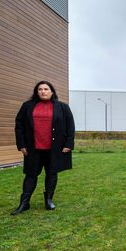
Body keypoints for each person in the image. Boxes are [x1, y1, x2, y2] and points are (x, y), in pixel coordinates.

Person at [11, 81, 75, 215]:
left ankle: (49, 200)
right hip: (33, 148)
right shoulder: (27, 106)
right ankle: (24, 202)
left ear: (52, 91)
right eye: (40, 89)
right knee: (30, 175)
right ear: (36, 92)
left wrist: (68, 144)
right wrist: (21, 144)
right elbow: (19, 126)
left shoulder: (62, 107)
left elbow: (70, 126)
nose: (43, 91)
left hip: (55, 148)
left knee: (52, 173)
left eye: (46, 89)